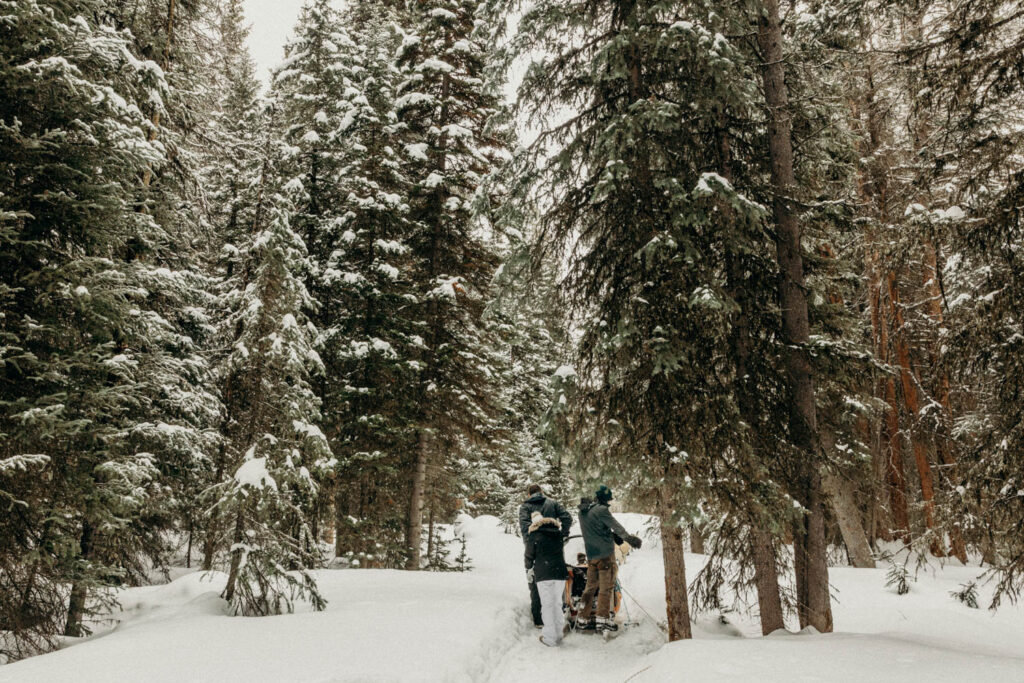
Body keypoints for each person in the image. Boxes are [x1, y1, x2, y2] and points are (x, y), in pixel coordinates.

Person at [577, 485, 642, 633]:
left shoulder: (583, 512)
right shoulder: (601, 510)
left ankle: (582, 617)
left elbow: (595, 529)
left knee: (590, 587)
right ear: (604, 499)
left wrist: (611, 535)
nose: (609, 503)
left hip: (591, 555)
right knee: (606, 588)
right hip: (605, 555)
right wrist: (630, 539)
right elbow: (616, 526)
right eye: (608, 500)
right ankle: (603, 619)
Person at [518, 484, 572, 628]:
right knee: (556, 579)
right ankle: (557, 618)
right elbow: (567, 517)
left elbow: (524, 528)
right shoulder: (552, 503)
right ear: (541, 492)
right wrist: (563, 535)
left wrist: (529, 545)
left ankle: (539, 619)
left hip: (535, 548)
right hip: (555, 545)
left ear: (529, 494)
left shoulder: (525, 507)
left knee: (535, 581)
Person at [525, 511, 570, 646]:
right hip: (560, 572)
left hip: (544, 573)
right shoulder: (558, 533)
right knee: (557, 603)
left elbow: (528, 555)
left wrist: (528, 568)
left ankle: (549, 638)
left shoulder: (534, 535)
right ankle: (558, 634)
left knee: (547, 604)